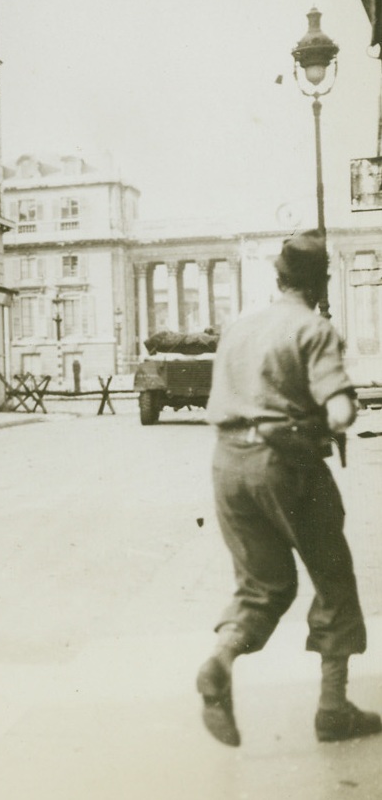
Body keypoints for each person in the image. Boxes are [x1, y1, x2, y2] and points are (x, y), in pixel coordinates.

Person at [198, 230, 378, 747]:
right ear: (319, 281)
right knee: (333, 578)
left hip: (228, 463)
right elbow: (341, 413)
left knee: (264, 586)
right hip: (287, 464)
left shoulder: (239, 326)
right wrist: (340, 405)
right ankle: (332, 709)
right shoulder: (313, 328)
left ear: (277, 277)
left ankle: (220, 659)